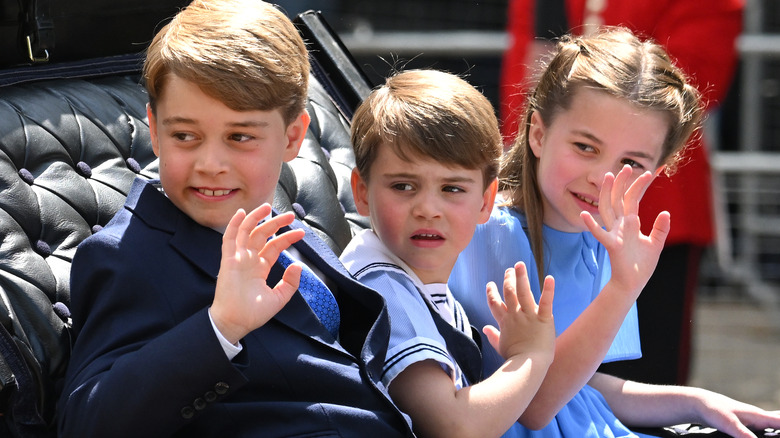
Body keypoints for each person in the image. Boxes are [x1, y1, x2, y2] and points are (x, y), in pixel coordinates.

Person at [56, 0, 416, 436]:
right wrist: (220, 326)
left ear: (293, 137)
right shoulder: (127, 256)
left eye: (239, 136)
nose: (210, 163)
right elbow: (86, 421)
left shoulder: (283, 230)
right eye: (185, 135)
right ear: (153, 128)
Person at [450, 28, 780, 438]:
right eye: (586, 147)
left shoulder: (606, 241)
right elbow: (534, 406)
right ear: (538, 133)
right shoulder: (485, 232)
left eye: (631, 164)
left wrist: (700, 401)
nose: (602, 179)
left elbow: (582, 387)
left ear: (655, 174)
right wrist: (623, 288)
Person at [500, 0, 743, 385]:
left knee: (646, 370)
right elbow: (528, 76)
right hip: (549, 191)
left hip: (651, 210)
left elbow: (689, 81)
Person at [339, 69, 556, 438]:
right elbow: (454, 427)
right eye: (403, 185)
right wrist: (531, 356)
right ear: (361, 192)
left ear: (486, 201)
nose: (427, 208)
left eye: (452, 188)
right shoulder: (383, 289)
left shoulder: (418, 282)